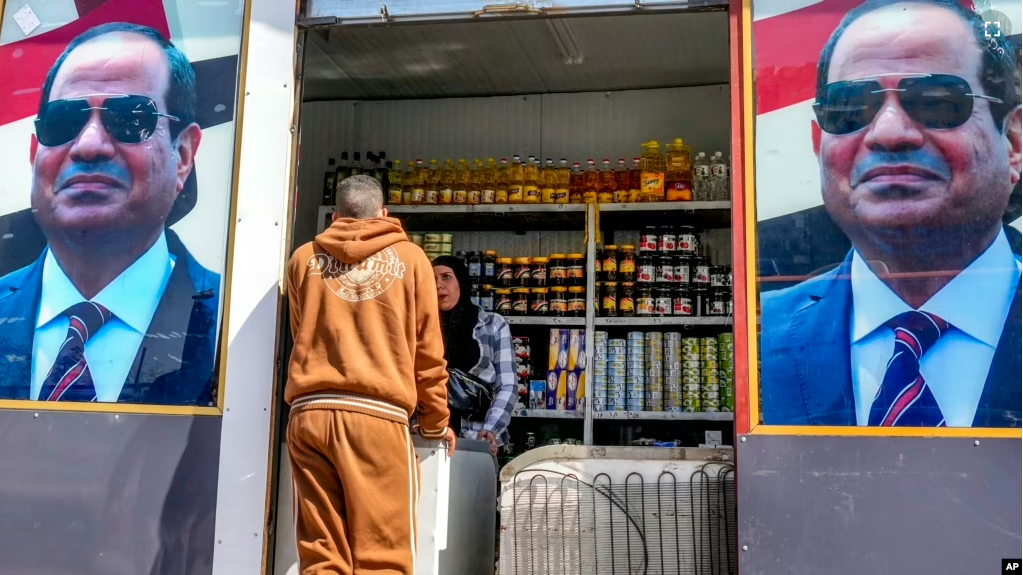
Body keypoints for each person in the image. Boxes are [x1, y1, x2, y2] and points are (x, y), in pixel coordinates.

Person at [760, 0, 1022, 428]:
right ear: (818, 143)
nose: (888, 132)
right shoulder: (756, 335)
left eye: (936, 102)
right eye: (849, 108)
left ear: (1012, 142)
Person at [0, 23, 218, 405]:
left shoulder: (237, 329)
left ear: (183, 156)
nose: (88, 145)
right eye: (64, 121)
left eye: (129, 119)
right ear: (35, 154)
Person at [285, 175, 456, 575]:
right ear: (385, 214)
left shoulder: (302, 259)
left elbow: (300, 335)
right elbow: (428, 353)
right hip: (376, 416)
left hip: (309, 416)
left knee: (322, 557)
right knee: (383, 558)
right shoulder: (412, 259)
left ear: (334, 215)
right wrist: (434, 424)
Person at [432, 256, 516, 456]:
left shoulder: (493, 324)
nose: (438, 285)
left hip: (476, 436)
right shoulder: (420, 326)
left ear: (461, 282)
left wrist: (492, 428)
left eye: (446, 277)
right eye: (432, 279)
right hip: (431, 436)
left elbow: (508, 385)